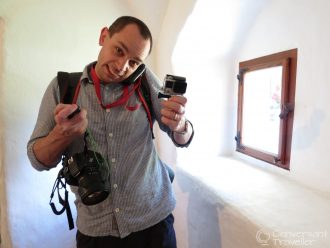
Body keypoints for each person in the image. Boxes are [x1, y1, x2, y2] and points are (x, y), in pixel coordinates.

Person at [27, 16, 193, 248]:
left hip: (154, 222)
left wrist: (181, 125)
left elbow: (182, 138)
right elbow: (37, 159)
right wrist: (62, 135)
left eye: (134, 62)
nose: (121, 66)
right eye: (118, 50)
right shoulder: (63, 87)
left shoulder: (144, 81)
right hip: (96, 231)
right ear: (103, 36)